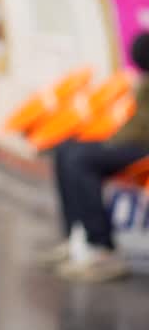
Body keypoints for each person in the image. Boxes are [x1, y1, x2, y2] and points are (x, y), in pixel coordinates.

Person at [43, 32, 149, 282]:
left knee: (81, 160)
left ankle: (102, 248)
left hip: (142, 147)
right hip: (130, 141)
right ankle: (77, 236)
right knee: (65, 149)